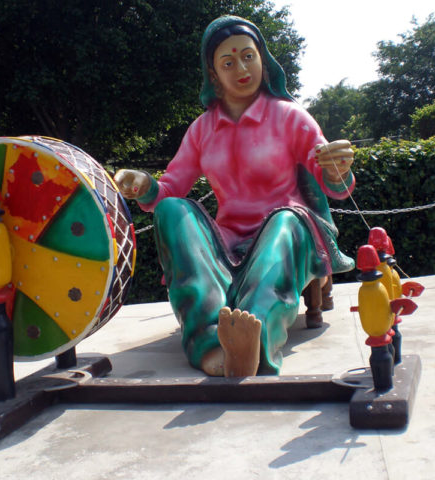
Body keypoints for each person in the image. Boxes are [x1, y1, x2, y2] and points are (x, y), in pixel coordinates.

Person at [114, 15, 355, 377]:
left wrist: (338, 168)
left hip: (285, 231)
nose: (241, 68)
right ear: (213, 74)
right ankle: (211, 342)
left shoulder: (290, 117)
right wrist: (145, 186)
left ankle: (253, 340)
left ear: (263, 58)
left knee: (285, 221)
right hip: (228, 239)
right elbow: (170, 189)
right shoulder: (202, 129)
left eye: (248, 56)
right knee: (172, 211)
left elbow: (332, 183)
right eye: (228, 62)